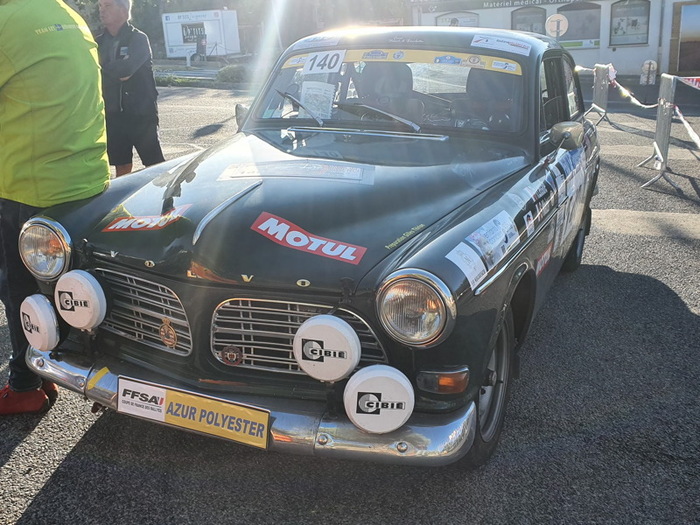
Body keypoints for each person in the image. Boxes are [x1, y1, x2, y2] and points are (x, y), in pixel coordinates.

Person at [0, 0, 111, 414]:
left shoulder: (6, 21)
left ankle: (26, 385)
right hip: (86, 179)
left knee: (19, 289)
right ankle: (46, 369)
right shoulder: (68, 15)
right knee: (62, 286)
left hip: (28, 182)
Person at [96, 0, 165, 177]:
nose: (102, 10)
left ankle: (165, 196)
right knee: (122, 166)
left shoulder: (138, 39)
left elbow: (125, 72)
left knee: (155, 166)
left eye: (107, 5)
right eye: (100, 6)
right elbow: (94, 72)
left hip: (141, 114)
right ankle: (125, 196)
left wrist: (102, 68)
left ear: (124, 11)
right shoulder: (98, 42)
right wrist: (111, 68)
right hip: (113, 114)